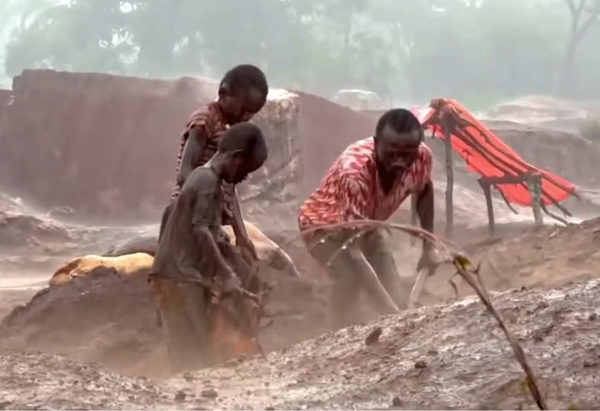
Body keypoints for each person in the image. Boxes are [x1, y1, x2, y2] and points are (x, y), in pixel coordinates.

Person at [297, 108, 436, 328]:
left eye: (407, 155)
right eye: (391, 154)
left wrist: (429, 247)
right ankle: (337, 333)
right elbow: (355, 253)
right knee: (349, 278)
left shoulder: (422, 156)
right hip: (323, 226)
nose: (399, 163)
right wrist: (391, 311)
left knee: (392, 285)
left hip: (367, 224)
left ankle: (389, 323)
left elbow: (424, 190)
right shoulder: (354, 172)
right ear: (376, 144)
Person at [151, 122, 268, 372]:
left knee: (198, 350)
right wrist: (226, 274)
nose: (244, 178)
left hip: (182, 277)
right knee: (190, 359)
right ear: (236, 157)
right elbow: (201, 229)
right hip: (179, 278)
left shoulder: (202, 178)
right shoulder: (207, 181)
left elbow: (202, 227)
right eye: (245, 171)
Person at [159, 64, 269, 261]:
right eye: (243, 109)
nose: (246, 117)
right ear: (224, 92)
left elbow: (230, 189)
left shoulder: (232, 130)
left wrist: (242, 235)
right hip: (189, 213)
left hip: (212, 218)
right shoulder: (205, 121)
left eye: (252, 113)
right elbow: (185, 175)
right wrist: (211, 200)